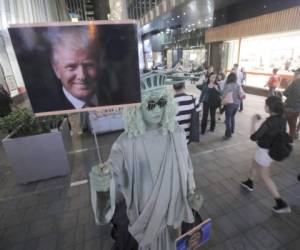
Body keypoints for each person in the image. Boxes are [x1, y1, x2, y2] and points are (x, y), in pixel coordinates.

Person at [89, 72, 202, 250]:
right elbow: (112, 171)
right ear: (137, 108)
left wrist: (191, 193)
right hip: (147, 227)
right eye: (150, 104)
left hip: (175, 222)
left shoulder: (176, 132)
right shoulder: (126, 143)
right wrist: (103, 182)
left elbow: (187, 168)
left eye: (162, 102)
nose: (157, 109)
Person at [241, 96, 291, 214]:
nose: (264, 106)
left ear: (269, 107)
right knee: (254, 161)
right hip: (272, 149)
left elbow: (254, 137)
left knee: (265, 177)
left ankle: (280, 203)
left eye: (266, 104)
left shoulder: (269, 122)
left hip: (265, 152)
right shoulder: (282, 118)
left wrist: (253, 121)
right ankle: (249, 181)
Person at [49, 27, 100, 110]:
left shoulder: (117, 97)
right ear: (56, 70)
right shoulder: (50, 109)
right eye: (71, 67)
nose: (82, 76)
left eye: (88, 65)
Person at [222, 72, 244, 140]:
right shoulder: (238, 85)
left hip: (229, 104)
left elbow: (224, 94)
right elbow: (241, 95)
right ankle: (232, 131)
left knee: (228, 119)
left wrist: (222, 98)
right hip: (237, 104)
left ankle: (228, 134)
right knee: (232, 117)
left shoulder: (228, 85)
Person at [283, 68, 300, 139]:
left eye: (295, 74)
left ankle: (280, 140)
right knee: (292, 127)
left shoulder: (295, 82)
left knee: (282, 124)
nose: (294, 75)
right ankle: (290, 141)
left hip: (288, 108)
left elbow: (285, 93)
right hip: (297, 110)